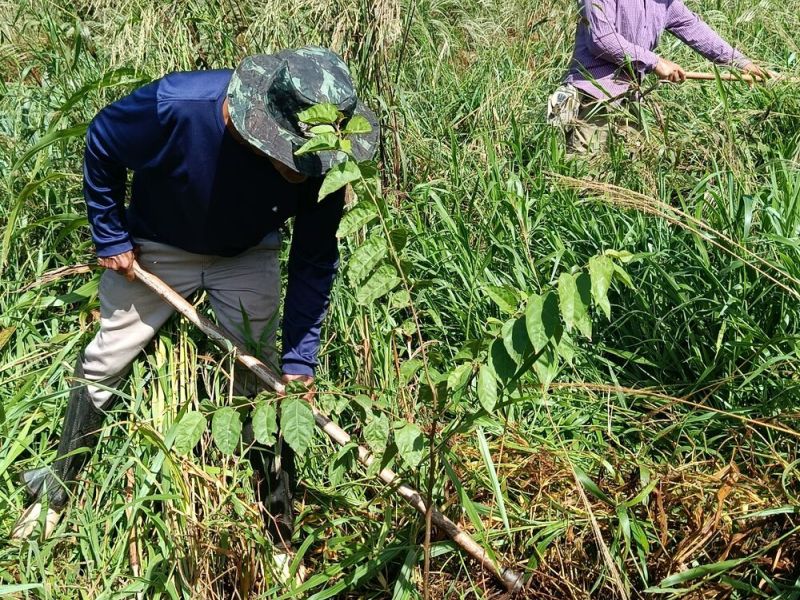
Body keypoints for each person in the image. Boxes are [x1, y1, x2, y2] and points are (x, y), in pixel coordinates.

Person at [11, 46, 379, 583]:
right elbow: (103, 142)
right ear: (262, 127)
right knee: (105, 359)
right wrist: (111, 235)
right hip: (156, 249)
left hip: (247, 253)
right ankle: (54, 495)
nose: (303, 169)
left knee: (263, 382)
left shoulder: (325, 161)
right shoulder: (176, 106)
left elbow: (313, 260)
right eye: (291, 155)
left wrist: (301, 360)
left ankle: (279, 532)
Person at [548, 0, 768, 154]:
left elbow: (695, 29)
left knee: (627, 184)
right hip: (594, 101)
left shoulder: (664, 2)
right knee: (585, 180)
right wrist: (655, 62)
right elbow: (602, 40)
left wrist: (742, 63)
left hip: (632, 103)